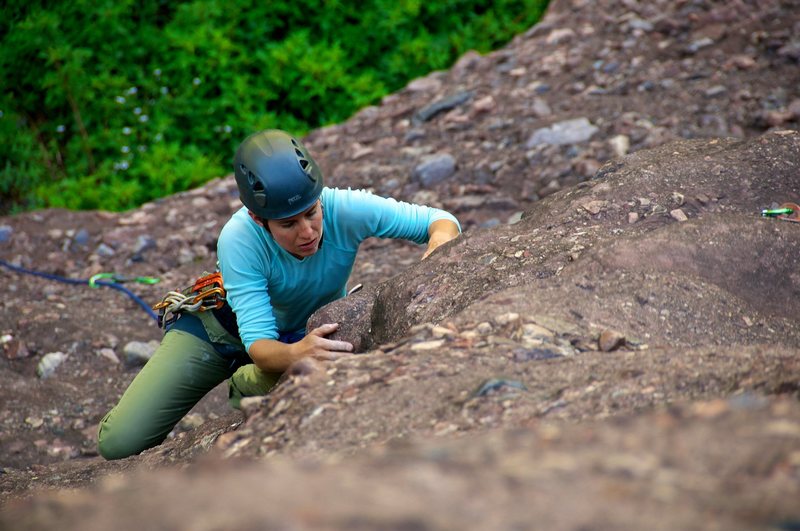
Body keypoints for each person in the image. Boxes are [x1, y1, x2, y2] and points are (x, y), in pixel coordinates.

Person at [97, 129, 461, 460]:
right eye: (288, 224)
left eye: (311, 214)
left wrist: (438, 245)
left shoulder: (342, 209)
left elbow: (439, 220)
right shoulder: (239, 239)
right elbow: (260, 345)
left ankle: (246, 385)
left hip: (296, 331)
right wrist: (296, 354)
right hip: (219, 332)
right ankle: (246, 376)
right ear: (259, 219)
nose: (307, 232)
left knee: (310, 366)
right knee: (119, 443)